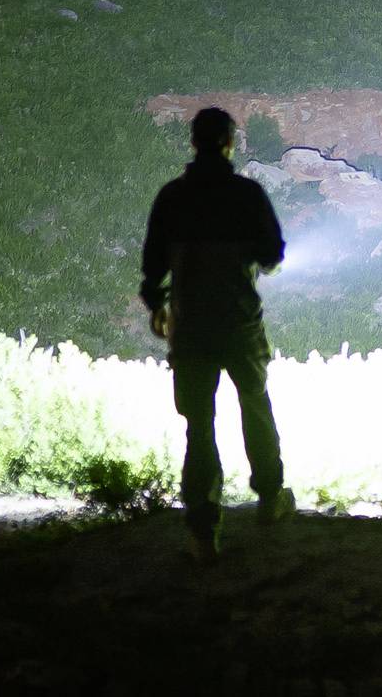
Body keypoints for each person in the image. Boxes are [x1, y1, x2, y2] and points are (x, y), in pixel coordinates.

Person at [141, 106, 293, 558]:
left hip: (190, 325)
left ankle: (204, 525)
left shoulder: (172, 197)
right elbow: (272, 256)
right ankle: (269, 496)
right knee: (254, 403)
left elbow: (153, 263)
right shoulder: (246, 195)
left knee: (199, 424)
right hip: (239, 321)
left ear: (194, 142)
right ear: (229, 142)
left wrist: (158, 304)